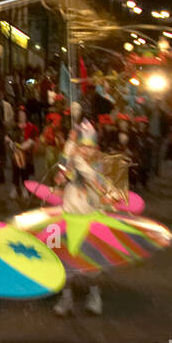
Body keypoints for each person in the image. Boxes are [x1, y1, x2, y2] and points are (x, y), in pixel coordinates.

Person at [52, 120, 109, 317]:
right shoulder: (73, 163)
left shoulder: (99, 166)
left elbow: (93, 179)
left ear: (96, 148)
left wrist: (79, 161)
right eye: (82, 147)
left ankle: (94, 295)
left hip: (90, 221)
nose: (85, 150)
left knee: (91, 262)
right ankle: (66, 297)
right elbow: (60, 175)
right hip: (69, 218)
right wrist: (69, 144)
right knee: (66, 260)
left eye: (89, 147)